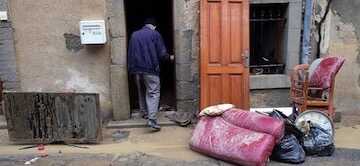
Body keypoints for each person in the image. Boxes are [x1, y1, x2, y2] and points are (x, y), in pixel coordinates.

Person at [127, 18, 173, 131]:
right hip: (150, 69)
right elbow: (162, 54)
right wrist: (170, 58)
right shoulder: (155, 34)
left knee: (141, 91)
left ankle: (144, 113)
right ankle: (152, 120)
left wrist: (131, 69)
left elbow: (130, 52)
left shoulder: (134, 35)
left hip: (136, 69)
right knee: (153, 92)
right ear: (154, 26)